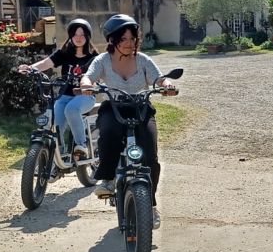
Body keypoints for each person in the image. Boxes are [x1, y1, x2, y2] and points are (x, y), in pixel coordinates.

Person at [79, 14, 177, 230]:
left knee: (150, 155)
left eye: (132, 38)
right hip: (113, 108)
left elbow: (159, 79)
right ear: (113, 40)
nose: (129, 43)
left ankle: (150, 206)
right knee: (108, 133)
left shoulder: (142, 59)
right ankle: (108, 179)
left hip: (140, 108)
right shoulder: (103, 60)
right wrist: (87, 84)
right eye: (124, 39)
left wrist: (166, 84)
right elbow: (89, 76)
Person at [18, 18, 98, 158]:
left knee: (71, 109)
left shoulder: (93, 57)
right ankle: (58, 157)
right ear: (71, 36)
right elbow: (45, 63)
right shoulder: (64, 53)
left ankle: (81, 145)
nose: (78, 38)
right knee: (56, 123)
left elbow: (97, 75)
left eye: (82, 35)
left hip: (85, 96)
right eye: (75, 34)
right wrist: (30, 68)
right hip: (65, 96)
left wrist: (91, 84)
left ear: (87, 36)